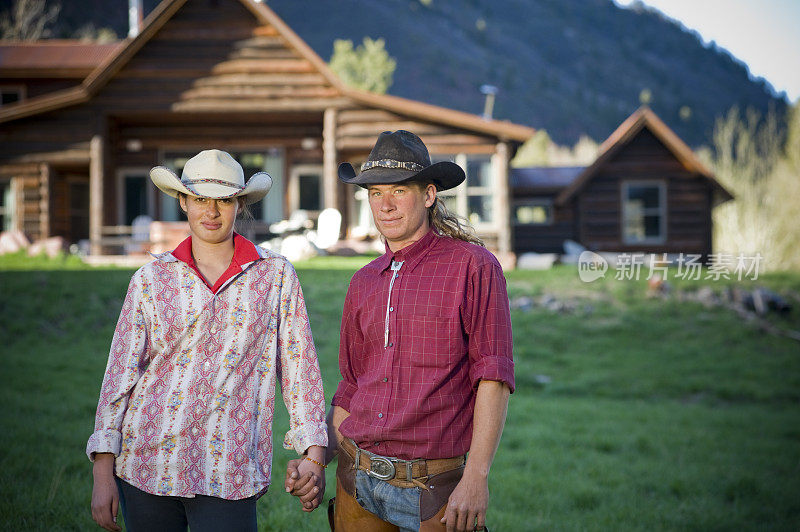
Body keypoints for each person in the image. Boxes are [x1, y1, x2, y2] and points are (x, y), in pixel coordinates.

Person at [87, 149, 327, 532]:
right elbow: (119, 376)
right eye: (200, 198)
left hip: (230, 468)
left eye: (224, 200)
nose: (211, 211)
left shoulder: (275, 275)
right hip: (147, 464)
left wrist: (313, 453)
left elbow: (299, 368)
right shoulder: (150, 280)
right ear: (183, 201)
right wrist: (103, 472)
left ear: (240, 204)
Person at [286, 130, 514, 532]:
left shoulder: (474, 267)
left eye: (398, 191)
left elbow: (493, 376)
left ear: (428, 195)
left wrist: (476, 477)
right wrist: (317, 460)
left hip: (434, 488)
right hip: (358, 480)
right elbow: (352, 387)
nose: (385, 205)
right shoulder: (362, 281)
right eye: (375, 193)